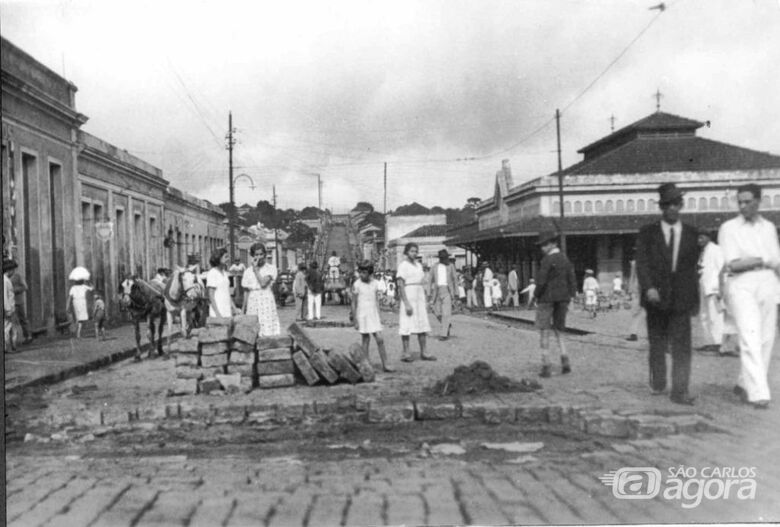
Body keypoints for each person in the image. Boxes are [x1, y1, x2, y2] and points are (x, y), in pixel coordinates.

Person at [636, 183, 700, 405]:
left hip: (681, 298)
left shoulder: (691, 234)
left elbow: (693, 270)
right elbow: (642, 264)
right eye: (667, 205)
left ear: (681, 205)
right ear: (661, 207)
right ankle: (658, 381)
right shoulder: (648, 233)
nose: (672, 208)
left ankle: (680, 390)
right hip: (656, 298)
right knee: (657, 343)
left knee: (682, 345)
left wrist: (695, 300)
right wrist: (649, 287)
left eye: (675, 204)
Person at [718, 183, 780, 409]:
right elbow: (733, 263)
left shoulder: (769, 227)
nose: (742, 206)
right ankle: (758, 393)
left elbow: (778, 262)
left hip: (768, 283)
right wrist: (763, 259)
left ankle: (745, 383)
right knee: (750, 335)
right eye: (740, 202)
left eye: (747, 202)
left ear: (758, 202)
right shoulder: (728, 228)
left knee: (766, 338)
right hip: (741, 284)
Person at [533, 231, 577, 377]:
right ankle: (565, 362)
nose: (542, 248)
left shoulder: (547, 260)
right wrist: (571, 295)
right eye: (542, 245)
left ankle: (546, 365)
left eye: (545, 245)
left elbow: (541, 281)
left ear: (553, 244)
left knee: (544, 331)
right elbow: (572, 278)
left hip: (546, 299)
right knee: (560, 330)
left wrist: (535, 295)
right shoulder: (565, 259)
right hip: (563, 298)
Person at [351, 261, 393, 372]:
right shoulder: (357, 284)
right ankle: (366, 365)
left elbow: (377, 301)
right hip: (362, 314)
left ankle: (386, 364)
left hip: (373, 313)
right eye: (360, 272)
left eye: (364, 272)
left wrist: (379, 316)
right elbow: (354, 303)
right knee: (365, 339)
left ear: (370, 273)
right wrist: (355, 319)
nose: (362, 275)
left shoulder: (375, 283)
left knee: (380, 339)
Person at [396, 242, 436, 362]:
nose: (414, 253)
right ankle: (406, 353)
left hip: (419, 295)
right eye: (411, 251)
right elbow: (400, 285)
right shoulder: (403, 265)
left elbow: (423, 281)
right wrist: (406, 303)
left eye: (416, 251)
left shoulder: (419, 266)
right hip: (409, 294)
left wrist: (427, 298)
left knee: (422, 323)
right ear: (406, 252)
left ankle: (424, 351)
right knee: (406, 324)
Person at [697, 228, 726, 354]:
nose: (699, 240)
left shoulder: (716, 249)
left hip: (714, 288)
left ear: (708, 237)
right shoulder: (703, 252)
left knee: (715, 315)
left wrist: (721, 288)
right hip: (704, 287)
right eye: (697, 238)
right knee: (704, 315)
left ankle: (717, 342)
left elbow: (722, 269)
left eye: (701, 237)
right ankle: (708, 342)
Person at [242, 243, 281, 336]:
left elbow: (263, 283)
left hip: (265, 298)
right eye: (256, 254)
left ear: (265, 254)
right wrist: (243, 308)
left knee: (267, 327)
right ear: (252, 255)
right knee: (253, 327)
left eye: (261, 254)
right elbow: (246, 291)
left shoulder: (270, 268)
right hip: (253, 300)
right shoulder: (247, 271)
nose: (259, 257)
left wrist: (255, 270)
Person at [428, 249, 458, 341]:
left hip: (447, 291)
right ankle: (447, 325)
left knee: (446, 313)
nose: (446, 260)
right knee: (435, 311)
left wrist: (456, 293)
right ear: (440, 259)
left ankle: (444, 334)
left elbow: (455, 280)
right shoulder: (434, 267)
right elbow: (430, 281)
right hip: (437, 292)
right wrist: (429, 293)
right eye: (444, 258)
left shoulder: (451, 266)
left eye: (446, 258)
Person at [206, 247, 237, 318]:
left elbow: (227, 293)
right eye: (226, 257)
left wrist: (234, 308)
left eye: (228, 257)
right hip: (217, 311)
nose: (228, 259)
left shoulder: (225, 273)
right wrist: (217, 313)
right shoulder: (212, 273)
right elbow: (211, 296)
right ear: (218, 258)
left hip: (226, 310)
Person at [9, 264, 32, 344]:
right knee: (12, 321)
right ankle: (13, 340)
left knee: (22, 319)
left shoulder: (18, 276)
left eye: (10, 269)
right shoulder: (6, 277)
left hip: (18, 301)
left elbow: (25, 287)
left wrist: (14, 290)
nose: (9, 271)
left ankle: (28, 336)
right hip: (10, 302)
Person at [4, 259, 18, 352]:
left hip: (10, 308)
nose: (14, 272)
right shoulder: (5, 281)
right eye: (13, 270)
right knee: (7, 328)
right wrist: (8, 309)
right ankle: (6, 347)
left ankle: (13, 346)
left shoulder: (6, 280)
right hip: (8, 309)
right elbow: (4, 296)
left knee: (12, 328)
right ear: (9, 270)